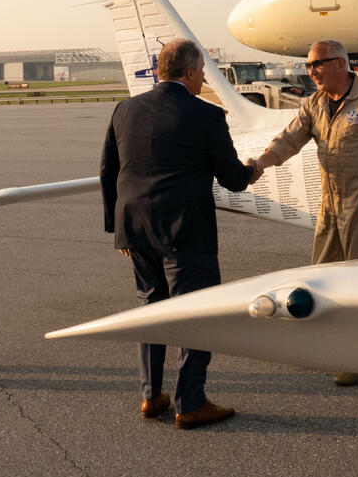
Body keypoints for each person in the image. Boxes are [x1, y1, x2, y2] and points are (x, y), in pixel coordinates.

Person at [100, 39, 258, 429]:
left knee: (152, 309)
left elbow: (108, 172)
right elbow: (233, 179)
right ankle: (190, 402)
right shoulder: (206, 115)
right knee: (197, 311)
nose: (204, 76)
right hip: (185, 229)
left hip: (134, 227)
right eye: (202, 70)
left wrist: (118, 230)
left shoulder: (125, 109)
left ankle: (151, 395)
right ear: (189, 73)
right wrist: (254, 168)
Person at [253, 40, 358, 385]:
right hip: (330, 204)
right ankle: (334, 350)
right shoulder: (314, 104)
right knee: (323, 277)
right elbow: (288, 140)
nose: (312, 71)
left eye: (319, 64)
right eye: (309, 66)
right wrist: (262, 162)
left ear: (341, 64)